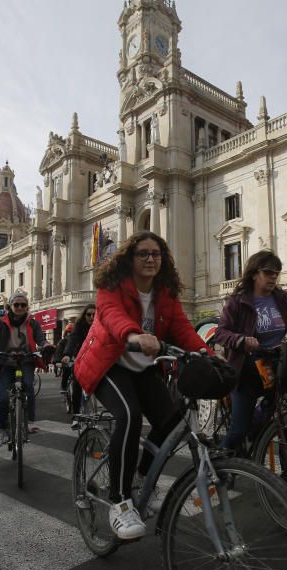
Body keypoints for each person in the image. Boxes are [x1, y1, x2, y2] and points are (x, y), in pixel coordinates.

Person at [74, 231, 210, 540]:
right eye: (143, 254)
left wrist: (210, 356)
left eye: (156, 254)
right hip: (108, 364)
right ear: (129, 259)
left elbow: (183, 329)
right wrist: (135, 336)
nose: (151, 259)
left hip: (143, 369)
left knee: (172, 422)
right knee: (129, 415)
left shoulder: (165, 293)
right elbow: (112, 316)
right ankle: (119, 502)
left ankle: (141, 478)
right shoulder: (111, 287)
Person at [213, 250, 287, 453]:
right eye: (268, 272)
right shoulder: (238, 301)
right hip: (246, 369)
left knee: (280, 417)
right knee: (238, 431)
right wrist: (241, 340)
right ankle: (218, 465)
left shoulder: (281, 297)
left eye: (276, 273)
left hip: (275, 366)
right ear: (254, 274)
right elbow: (220, 333)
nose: (273, 277)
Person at [0, 290, 47, 448]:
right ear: (10, 306)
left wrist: (46, 345)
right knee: (3, 398)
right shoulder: (0, 322)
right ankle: (0, 430)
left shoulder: (32, 322)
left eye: (23, 305)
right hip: (4, 361)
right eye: (16, 305)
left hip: (26, 360)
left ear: (27, 307)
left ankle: (30, 422)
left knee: (29, 388)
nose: (19, 307)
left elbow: (41, 338)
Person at [61, 304, 95, 416]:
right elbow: (72, 340)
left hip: (96, 357)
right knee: (77, 384)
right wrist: (67, 355)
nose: (91, 317)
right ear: (84, 315)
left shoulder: (101, 325)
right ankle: (76, 415)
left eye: (94, 314)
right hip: (81, 357)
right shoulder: (79, 326)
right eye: (89, 314)